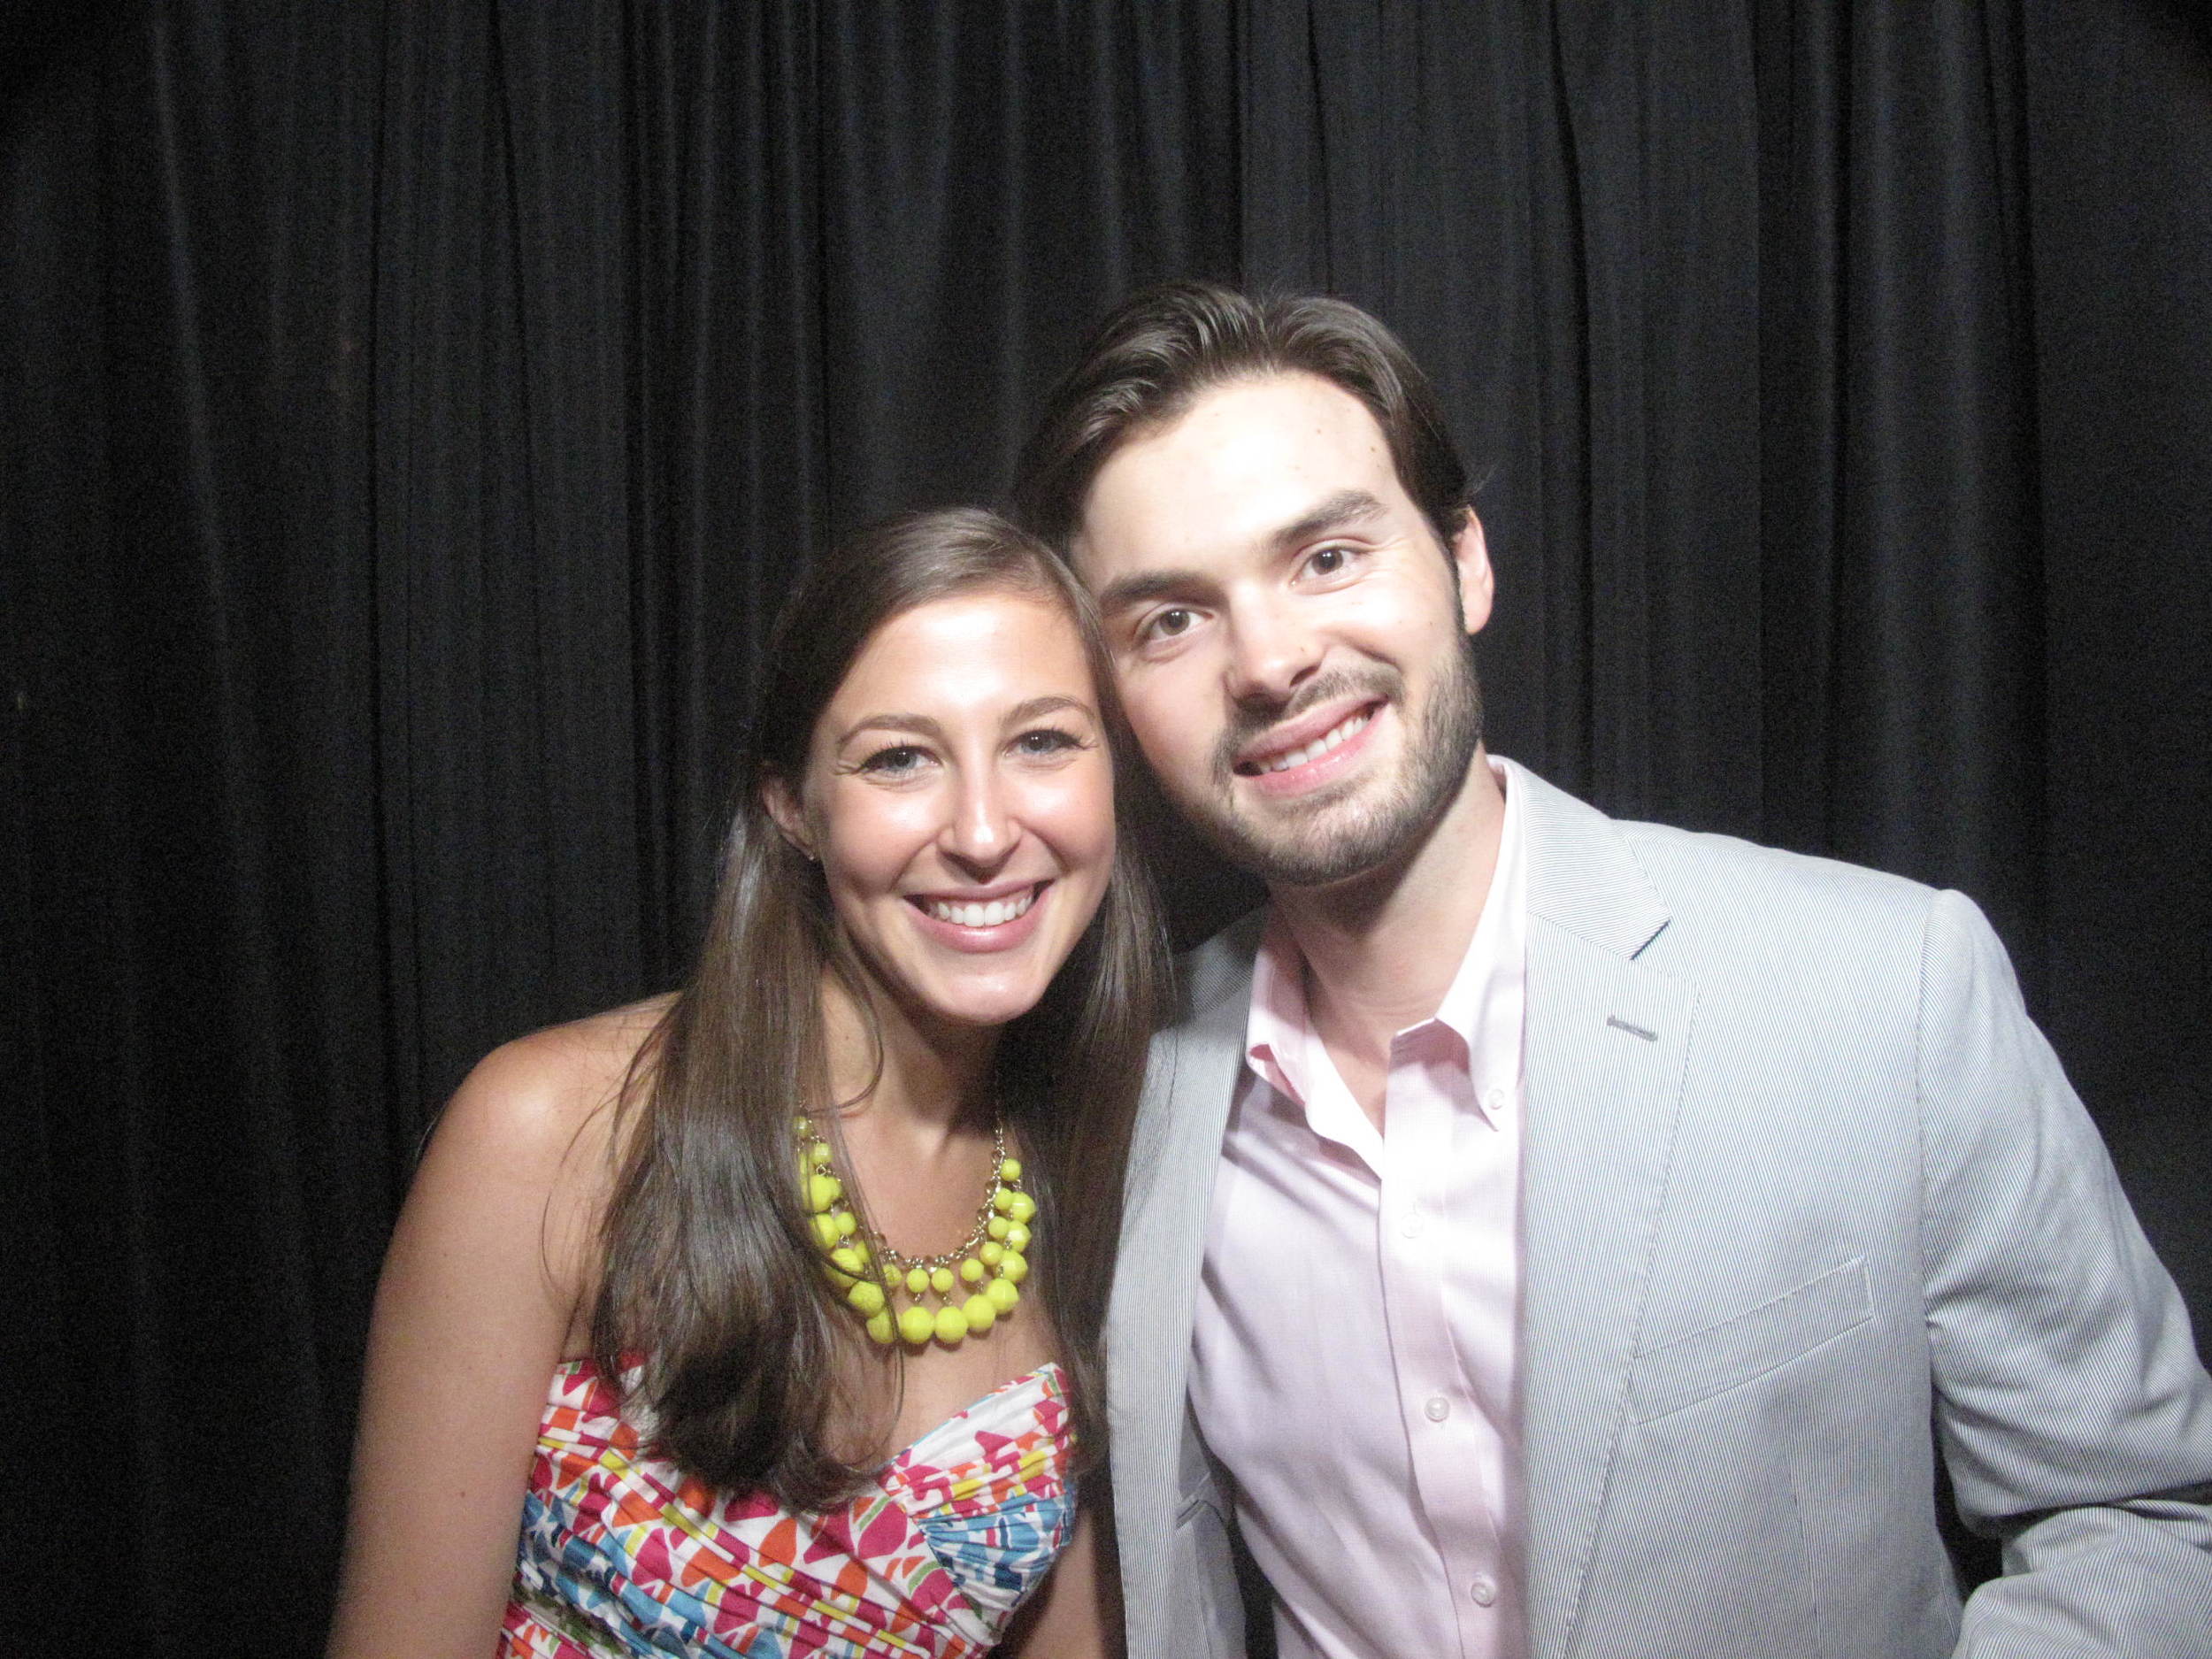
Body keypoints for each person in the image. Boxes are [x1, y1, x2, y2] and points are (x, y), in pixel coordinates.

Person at [1009, 281, 2212, 1659]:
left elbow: (2143, 1515)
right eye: (1171, 621)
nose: (1272, 661)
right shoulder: (1119, 1095)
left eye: (1329, 557)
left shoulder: (1888, 991)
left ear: (1465, 561)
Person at [326, 508, 1163, 1659]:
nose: (982, 830)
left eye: (1043, 742)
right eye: (899, 757)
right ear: (790, 806)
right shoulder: (553, 1135)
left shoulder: (1101, 1145)